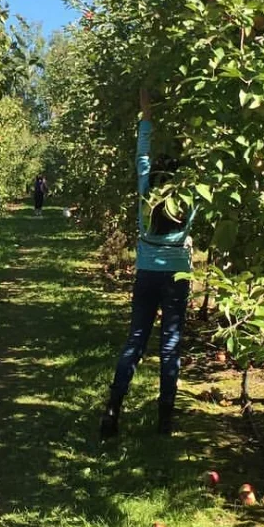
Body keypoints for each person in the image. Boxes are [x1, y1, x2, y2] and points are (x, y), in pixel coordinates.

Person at [100, 88, 196, 439]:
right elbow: (202, 169)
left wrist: (147, 115)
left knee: (135, 340)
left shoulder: (146, 193)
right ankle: (165, 420)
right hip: (177, 276)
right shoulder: (189, 199)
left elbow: (141, 154)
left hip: (147, 274)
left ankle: (113, 409)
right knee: (170, 345)